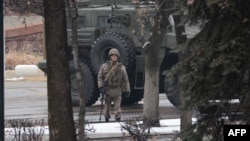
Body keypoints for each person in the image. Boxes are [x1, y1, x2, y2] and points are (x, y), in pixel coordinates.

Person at [97, 48, 130, 122]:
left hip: (117, 89)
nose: (114, 57)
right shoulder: (104, 66)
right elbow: (100, 77)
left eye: (115, 56)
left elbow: (126, 80)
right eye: (112, 56)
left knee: (117, 106)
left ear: (118, 57)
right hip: (108, 89)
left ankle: (117, 117)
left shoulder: (121, 67)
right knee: (107, 107)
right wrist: (101, 86)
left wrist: (127, 90)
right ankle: (106, 117)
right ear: (110, 56)